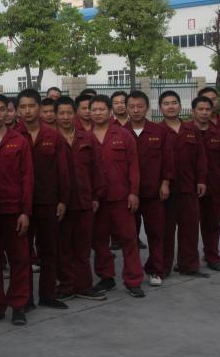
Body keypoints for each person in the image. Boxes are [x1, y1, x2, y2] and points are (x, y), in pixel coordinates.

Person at [15, 89, 70, 310]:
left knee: (49, 251)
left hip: (48, 201)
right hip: (22, 205)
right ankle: (25, 298)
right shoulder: (13, 136)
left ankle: (48, 295)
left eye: (31, 106)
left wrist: (63, 200)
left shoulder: (53, 136)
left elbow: (63, 171)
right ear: (17, 110)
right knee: (23, 254)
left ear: (39, 108)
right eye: (23, 107)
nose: (27, 111)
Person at [0, 94, 33, 326]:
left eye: (2, 109)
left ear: (9, 112)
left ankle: (18, 305)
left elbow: (27, 178)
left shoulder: (19, 141)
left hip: (13, 210)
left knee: (19, 260)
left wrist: (25, 212)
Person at [88, 95, 145, 297]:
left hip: (121, 197)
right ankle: (106, 277)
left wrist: (133, 192)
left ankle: (133, 280)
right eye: (94, 109)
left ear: (109, 111)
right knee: (99, 240)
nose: (97, 113)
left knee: (129, 239)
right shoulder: (85, 137)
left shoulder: (123, 135)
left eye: (101, 109)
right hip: (97, 200)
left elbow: (134, 166)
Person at [54, 97, 106, 301]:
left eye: (69, 113)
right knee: (63, 248)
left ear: (74, 113)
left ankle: (84, 286)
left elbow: (96, 168)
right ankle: (66, 286)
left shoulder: (87, 138)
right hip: (61, 204)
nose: (65, 117)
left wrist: (96, 196)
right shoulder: (51, 139)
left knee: (83, 249)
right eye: (61, 113)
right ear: (55, 115)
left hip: (85, 202)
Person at [124, 91, 174, 287]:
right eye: (132, 107)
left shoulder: (159, 131)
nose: (136, 110)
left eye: (140, 106)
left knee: (156, 233)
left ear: (147, 107)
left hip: (154, 193)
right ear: (126, 109)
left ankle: (155, 270)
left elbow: (168, 159)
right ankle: (134, 272)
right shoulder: (119, 132)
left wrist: (165, 182)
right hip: (130, 195)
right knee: (130, 236)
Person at [159, 90, 209, 278]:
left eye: (174, 103)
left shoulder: (191, 130)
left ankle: (188, 265)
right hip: (166, 190)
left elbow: (201, 157)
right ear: (160, 108)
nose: (171, 106)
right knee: (166, 230)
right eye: (166, 103)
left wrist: (202, 180)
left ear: (180, 106)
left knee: (190, 228)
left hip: (189, 187)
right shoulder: (156, 131)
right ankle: (163, 267)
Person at [193, 96, 220, 272]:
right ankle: (188, 259)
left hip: (214, 187)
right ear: (193, 111)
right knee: (189, 227)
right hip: (190, 187)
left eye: (207, 109)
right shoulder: (185, 133)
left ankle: (212, 256)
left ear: (212, 111)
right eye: (200, 109)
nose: (204, 113)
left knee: (212, 225)